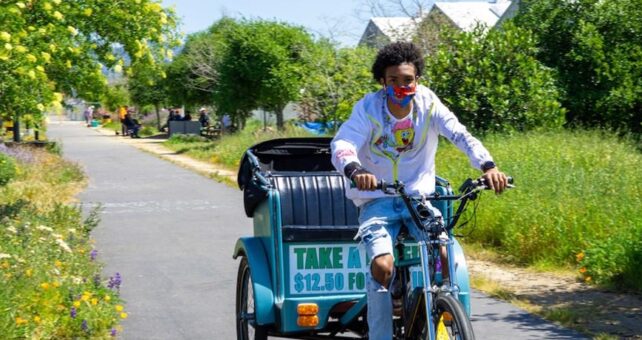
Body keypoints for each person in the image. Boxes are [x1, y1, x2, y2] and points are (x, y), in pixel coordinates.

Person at [330, 42, 508, 340]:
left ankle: (439, 311)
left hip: (418, 199)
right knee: (383, 266)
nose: (402, 87)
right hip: (378, 201)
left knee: (442, 250)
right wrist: (356, 171)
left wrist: (487, 166)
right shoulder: (369, 109)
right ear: (382, 82)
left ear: (418, 80)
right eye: (394, 81)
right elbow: (343, 144)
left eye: (408, 80)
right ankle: (382, 335)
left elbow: (461, 135)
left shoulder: (429, 104)